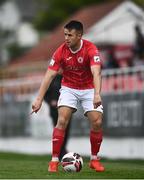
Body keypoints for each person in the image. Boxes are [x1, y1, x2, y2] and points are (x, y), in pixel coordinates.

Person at [32, 20, 105, 173]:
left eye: (70, 35)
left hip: (89, 89)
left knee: (97, 122)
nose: (66, 38)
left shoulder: (91, 49)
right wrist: (38, 99)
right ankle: (54, 161)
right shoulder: (60, 51)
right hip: (69, 88)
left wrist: (97, 94)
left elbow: (96, 72)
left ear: (79, 35)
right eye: (65, 34)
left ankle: (94, 159)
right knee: (62, 120)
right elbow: (49, 75)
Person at [44, 74, 71, 160]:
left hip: (67, 109)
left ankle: (62, 150)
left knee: (66, 130)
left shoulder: (68, 77)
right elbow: (45, 94)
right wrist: (51, 102)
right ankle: (59, 151)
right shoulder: (51, 79)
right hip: (54, 111)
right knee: (58, 129)